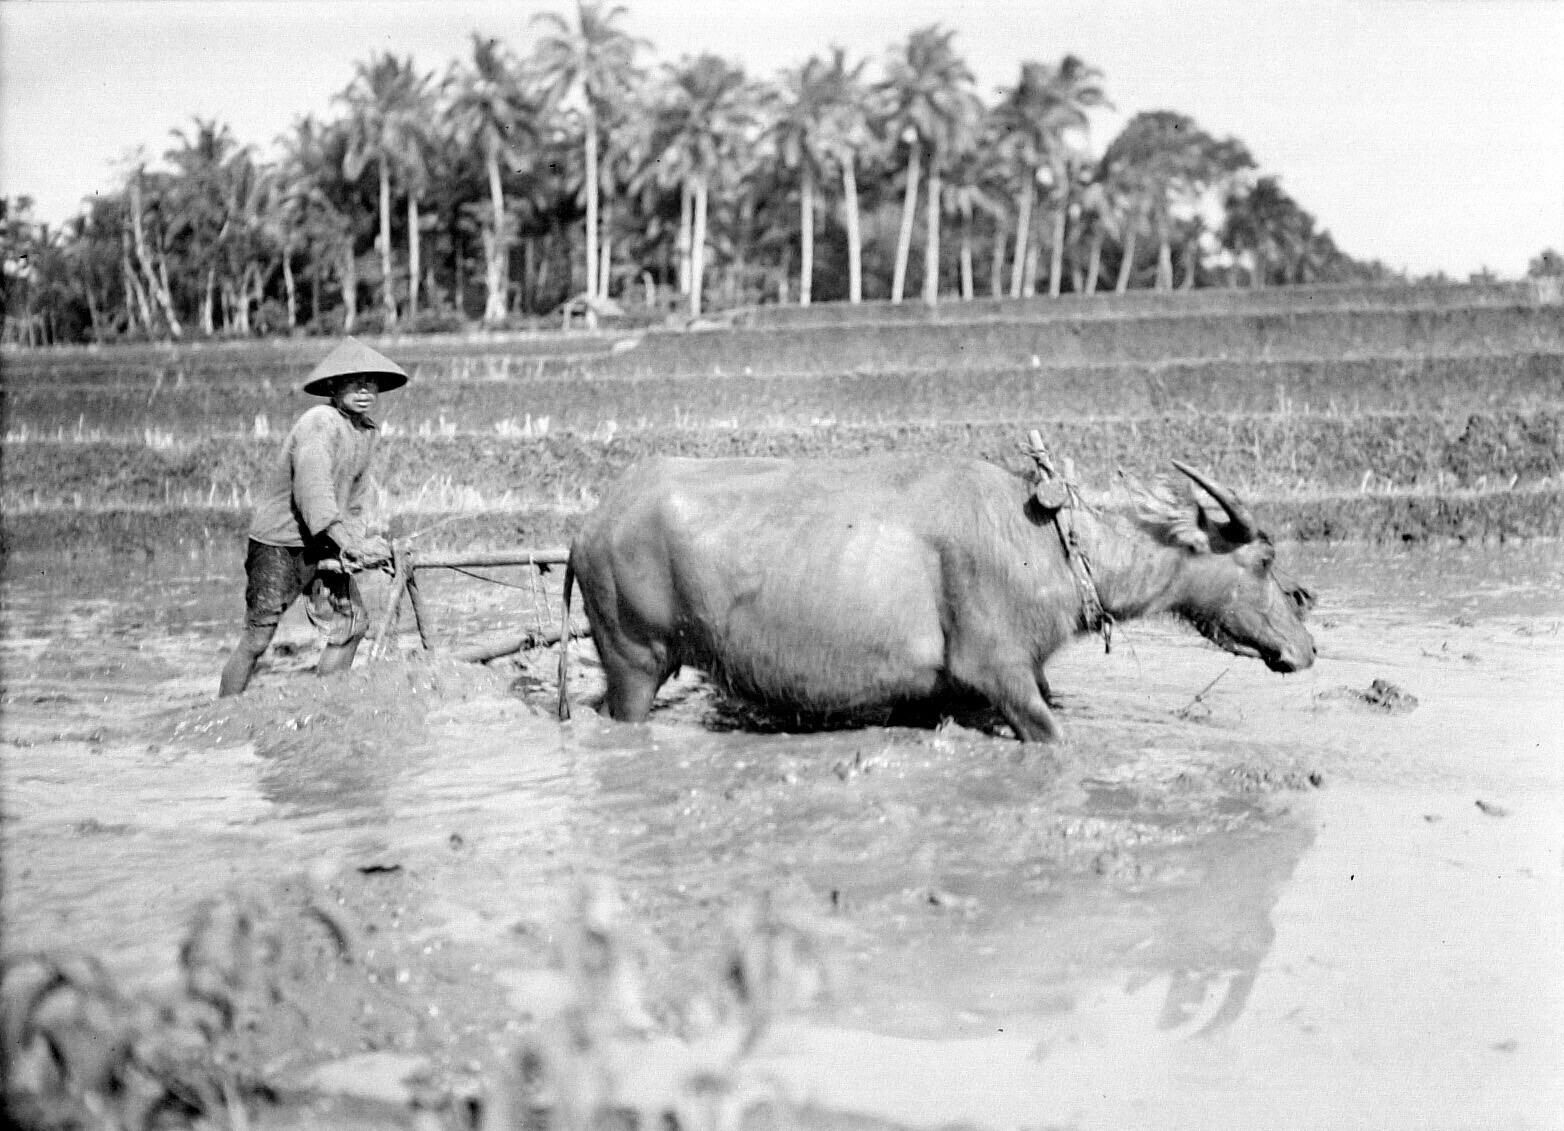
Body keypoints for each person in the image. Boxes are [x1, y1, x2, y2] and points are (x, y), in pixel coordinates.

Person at [219, 338, 409, 696]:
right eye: (354, 383)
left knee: (352, 625)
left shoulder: (365, 431)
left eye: (370, 383)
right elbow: (313, 491)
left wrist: (358, 542)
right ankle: (224, 710)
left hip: (325, 540)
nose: (364, 391)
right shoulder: (319, 423)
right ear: (334, 387)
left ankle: (325, 701)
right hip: (281, 542)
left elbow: (355, 500)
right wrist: (348, 543)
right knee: (258, 638)